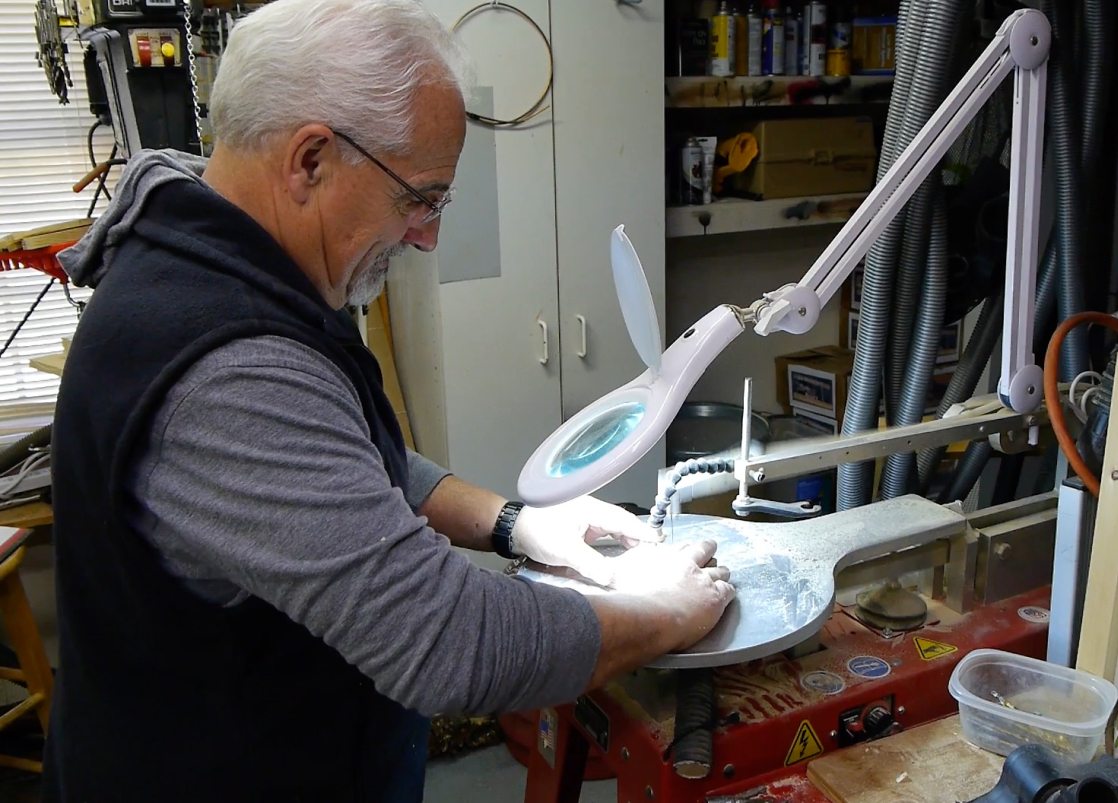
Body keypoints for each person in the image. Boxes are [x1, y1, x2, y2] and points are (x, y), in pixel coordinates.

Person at [44, 0, 735, 800]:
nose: (429, 236)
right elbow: (450, 643)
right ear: (310, 160)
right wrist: (668, 611)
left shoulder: (211, 257)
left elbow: (349, 459)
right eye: (423, 197)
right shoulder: (230, 369)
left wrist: (515, 523)